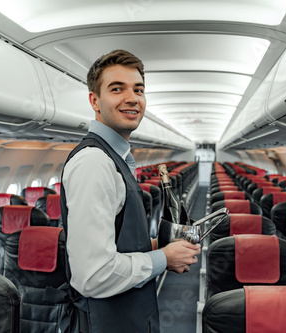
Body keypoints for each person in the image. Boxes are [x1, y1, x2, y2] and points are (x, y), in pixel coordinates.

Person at [60, 49, 201, 333]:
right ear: (94, 101)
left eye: (138, 89)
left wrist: (156, 245)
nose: (132, 98)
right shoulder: (94, 163)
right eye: (117, 89)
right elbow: (94, 275)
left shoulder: (114, 158)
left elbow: (112, 245)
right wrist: (165, 258)